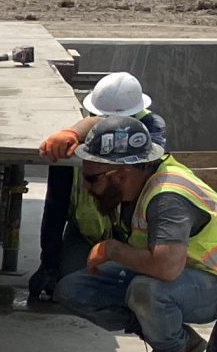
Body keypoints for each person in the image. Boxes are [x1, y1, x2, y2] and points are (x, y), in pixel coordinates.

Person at [50, 117, 217, 352]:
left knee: (147, 291)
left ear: (120, 175)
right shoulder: (139, 176)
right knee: (75, 289)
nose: (86, 187)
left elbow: (166, 268)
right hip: (182, 274)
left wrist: (112, 250)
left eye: (92, 179)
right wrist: (70, 132)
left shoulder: (168, 197)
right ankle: (181, 342)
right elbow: (106, 119)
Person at [26, 71, 169, 301]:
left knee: (133, 288)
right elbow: (55, 206)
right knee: (70, 287)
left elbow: (116, 130)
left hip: (130, 235)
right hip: (87, 230)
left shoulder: (149, 134)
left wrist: (80, 129)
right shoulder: (72, 141)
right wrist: (48, 263)